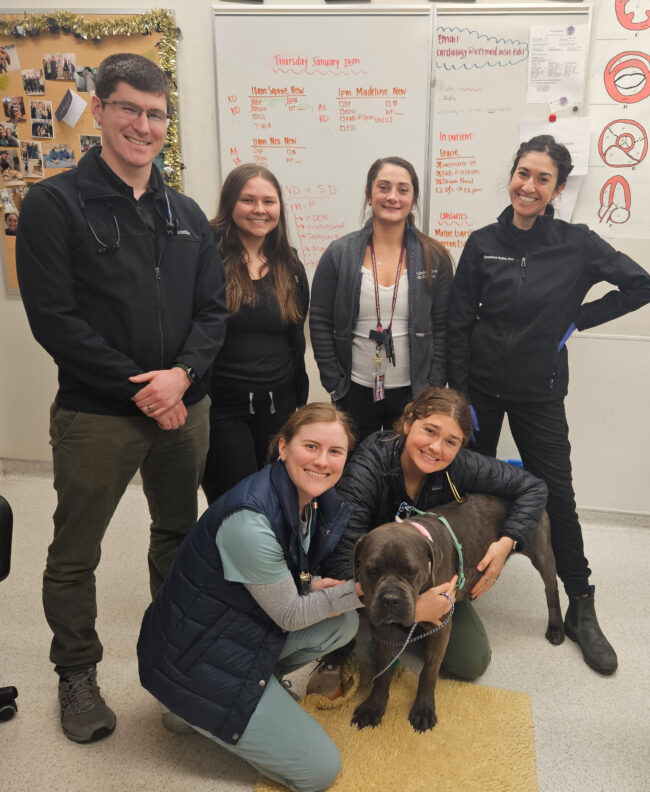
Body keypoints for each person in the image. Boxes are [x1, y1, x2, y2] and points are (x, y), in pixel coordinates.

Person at [16, 52, 228, 743]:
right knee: (76, 552)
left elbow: (212, 313)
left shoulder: (189, 214)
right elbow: (55, 320)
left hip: (182, 409)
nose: (144, 124)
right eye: (130, 109)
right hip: (96, 414)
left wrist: (181, 380)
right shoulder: (54, 204)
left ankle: (173, 665)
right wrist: (144, 390)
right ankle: (76, 673)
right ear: (101, 111)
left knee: (178, 534)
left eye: (156, 113)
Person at [137, 403, 453, 792]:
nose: (323, 461)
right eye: (311, 447)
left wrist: (316, 584)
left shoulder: (313, 499)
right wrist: (403, 605)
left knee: (341, 622)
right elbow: (288, 614)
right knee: (319, 771)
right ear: (283, 446)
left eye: (335, 452)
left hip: (232, 630)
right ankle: (188, 706)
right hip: (194, 657)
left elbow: (291, 577)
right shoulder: (249, 521)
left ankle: (251, 692)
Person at [446, 134, 650, 676]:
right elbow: (457, 323)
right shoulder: (482, 242)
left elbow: (642, 286)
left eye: (543, 178)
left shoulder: (577, 243)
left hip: (540, 390)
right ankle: (454, 588)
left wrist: (578, 321)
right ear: (511, 176)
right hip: (479, 393)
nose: (529, 186)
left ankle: (582, 603)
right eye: (523, 174)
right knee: (461, 486)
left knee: (556, 494)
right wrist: (456, 396)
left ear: (558, 188)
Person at [308, 386, 548, 696]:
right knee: (351, 615)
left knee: (472, 661)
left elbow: (533, 487)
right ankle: (340, 652)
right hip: (374, 575)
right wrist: (412, 609)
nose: (436, 448)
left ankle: (402, 629)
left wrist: (508, 541)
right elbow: (341, 561)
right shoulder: (370, 465)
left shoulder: (461, 466)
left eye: (451, 442)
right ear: (408, 423)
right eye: (429, 431)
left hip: (428, 575)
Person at [309, 156, 453, 442]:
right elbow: (320, 321)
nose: (392, 197)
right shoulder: (340, 253)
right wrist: (335, 384)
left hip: (413, 393)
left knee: (406, 471)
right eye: (383, 187)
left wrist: (431, 390)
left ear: (413, 198)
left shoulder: (433, 257)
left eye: (403, 189)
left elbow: (444, 327)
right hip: (355, 389)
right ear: (368, 194)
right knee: (357, 471)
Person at [201, 164, 309, 504]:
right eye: (248, 200)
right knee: (235, 502)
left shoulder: (288, 265)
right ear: (231, 203)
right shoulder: (206, 258)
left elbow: (295, 338)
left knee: (274, 498)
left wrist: (297, 403)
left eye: (269, 201)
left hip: (278, 406)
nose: (260, 210)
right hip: (222, 408)